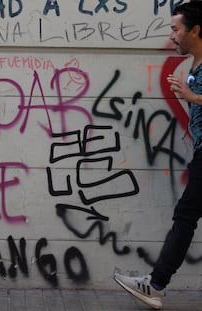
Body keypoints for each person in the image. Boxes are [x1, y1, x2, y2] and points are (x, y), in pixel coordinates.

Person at [114, 1, 202, 310]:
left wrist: (193, 97)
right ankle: (156, 283)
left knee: (185, 217)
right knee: (186, 217)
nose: (172, 35)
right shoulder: (195, 63)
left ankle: (155, 284)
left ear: (196, 30)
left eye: (176, 29)